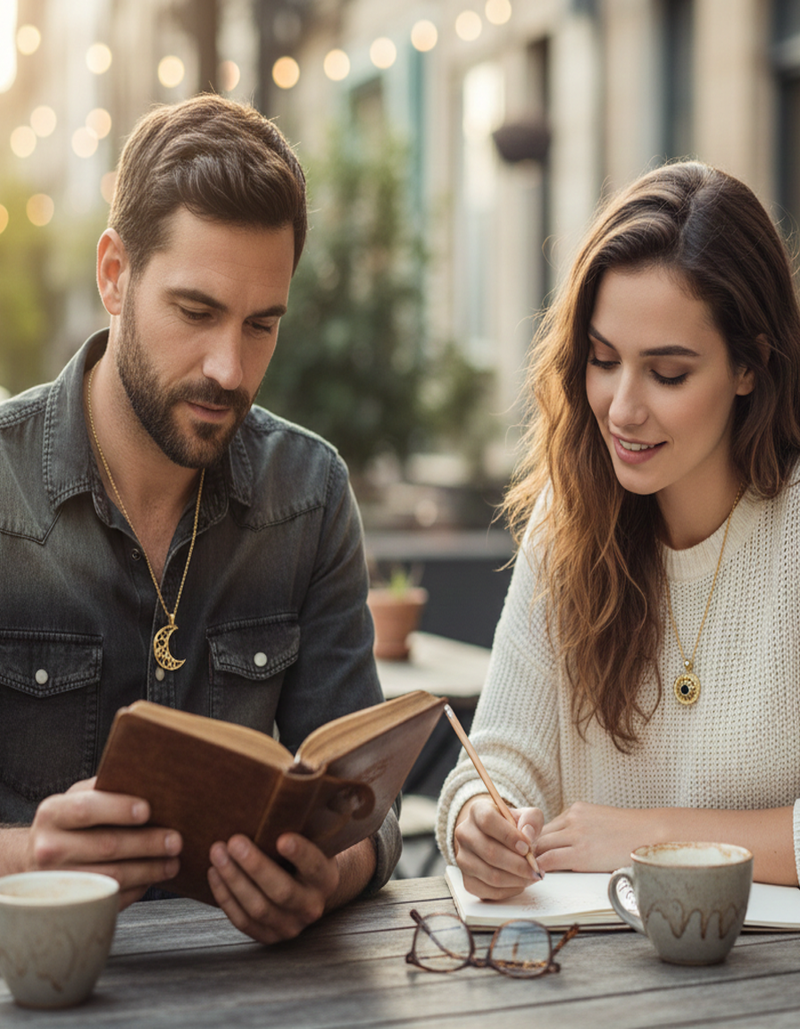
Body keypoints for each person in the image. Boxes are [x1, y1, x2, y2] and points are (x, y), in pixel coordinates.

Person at [0, 93, 400, 943]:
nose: (229, 367)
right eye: (196, 312)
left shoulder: (310, 493)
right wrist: (30, 854)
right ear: (115, 274)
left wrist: (329, 875)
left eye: (262, 325)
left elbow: (370, 811)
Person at [436, 161, 800, 899]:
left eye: (667, 373)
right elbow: (502, 760)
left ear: (749, 367)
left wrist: (649, 836)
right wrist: (481, 819)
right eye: (603, 361)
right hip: (597, 982)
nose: (622, 408)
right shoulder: (570, 517)